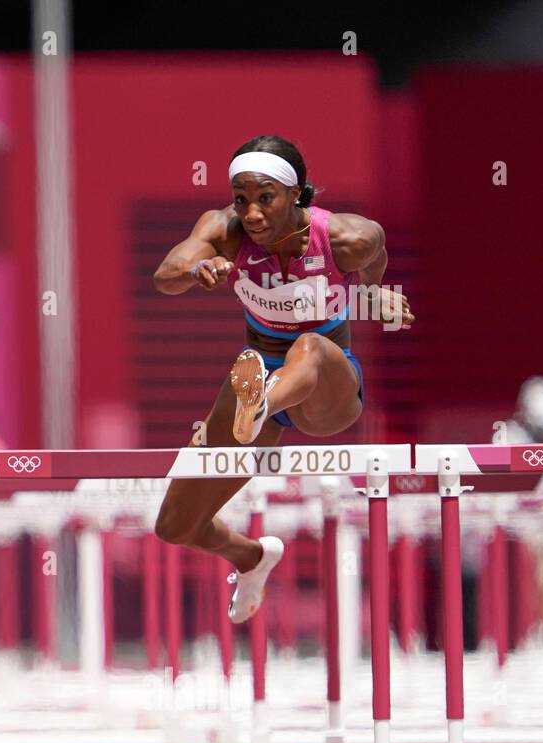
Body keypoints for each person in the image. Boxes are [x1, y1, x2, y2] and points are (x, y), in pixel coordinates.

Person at [151, 135, 413, 623]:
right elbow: (165, 274)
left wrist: (375, 295)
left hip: (326, 390)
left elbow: (374, 254)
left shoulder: (345, 237)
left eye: (265, 198)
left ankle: (265, 402)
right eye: (241, 199)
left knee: (308, 347)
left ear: (297, 194)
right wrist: (197, 269)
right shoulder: (224, 229)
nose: (251, 213)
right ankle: (251, 558)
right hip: (255, 375)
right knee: (175, 526)